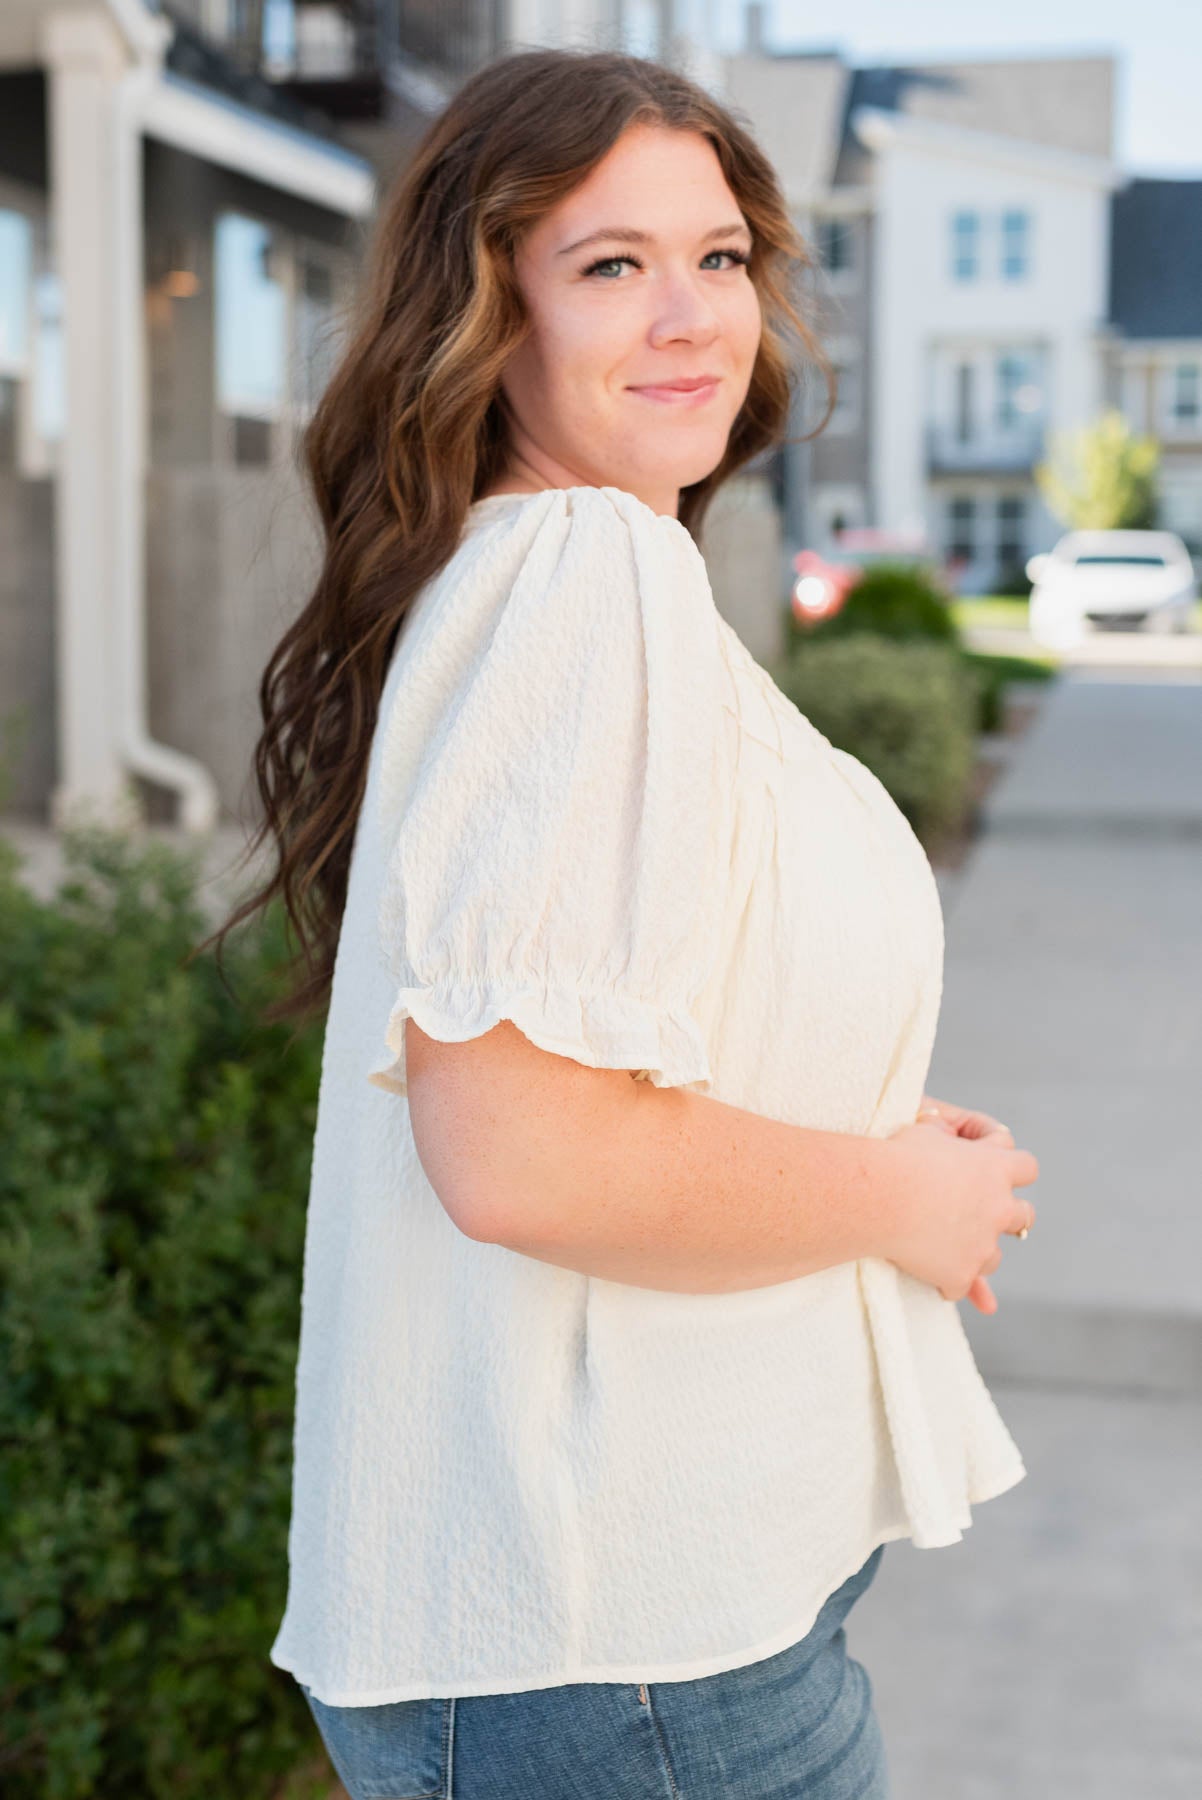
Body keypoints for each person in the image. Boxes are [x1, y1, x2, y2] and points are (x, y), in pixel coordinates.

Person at [210, 45, 1039, 1800]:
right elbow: (525, 1149)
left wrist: (859, 1135)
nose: (688, 317)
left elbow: (625, 1043)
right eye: (609, 265)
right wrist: (896, 1195)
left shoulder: (548, 577)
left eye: (717, 258)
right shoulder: (583, 580)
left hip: (635, 1651)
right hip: (628, 1675)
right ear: (486, 311)